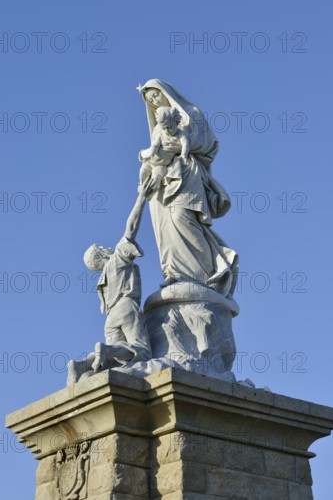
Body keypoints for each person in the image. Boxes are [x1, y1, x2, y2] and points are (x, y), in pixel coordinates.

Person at [138, 79, 238, 295]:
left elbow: (211, 144)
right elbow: (153, 154)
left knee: (183, 218)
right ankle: (174, 273)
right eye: (149, 100)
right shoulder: (157, 129)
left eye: (155, 94)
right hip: (163, 180)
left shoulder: (190, 113)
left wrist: (185, 147)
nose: (154, 101)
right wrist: (147, 166)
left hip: (187, 172)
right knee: (165, 227)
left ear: (164, 91)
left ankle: (206, 274)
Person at [67, 182, 152, 385]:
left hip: (111, 318)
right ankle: (104, 350)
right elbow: (131, 228)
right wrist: (142, 197)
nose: (107, 247)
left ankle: (82, 364)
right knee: (143, 352)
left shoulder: (102, 282)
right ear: (103, 254)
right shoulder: (117, 261)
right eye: (103, 247)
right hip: (126, 308)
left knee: (117, 361)